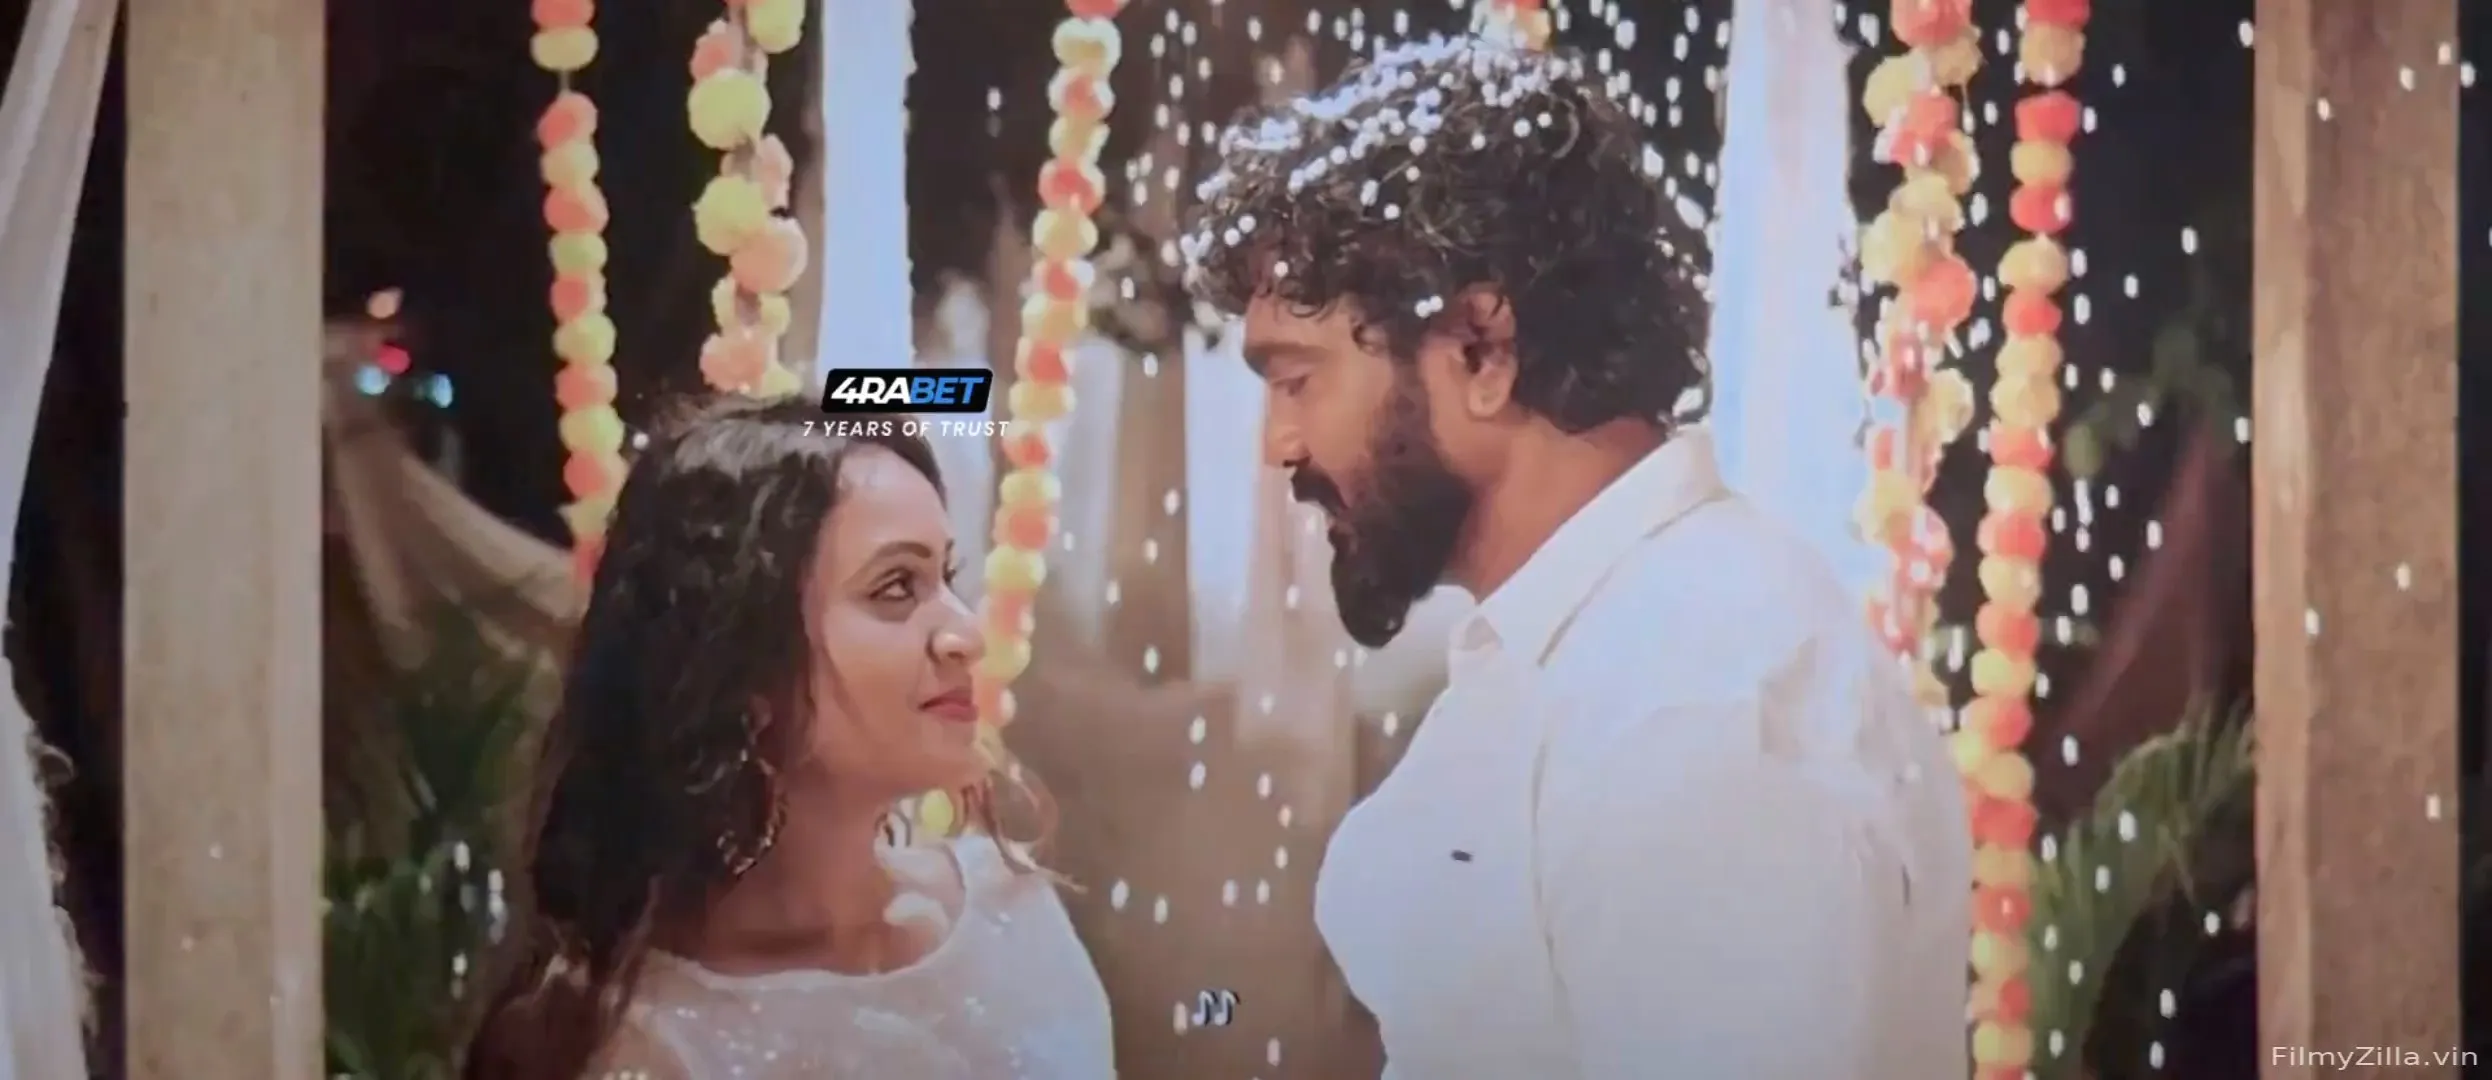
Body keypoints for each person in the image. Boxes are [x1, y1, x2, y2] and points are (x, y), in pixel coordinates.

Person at [1183, 37, 1973, 1079]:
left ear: (1481, 349)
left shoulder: (1691, 695)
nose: (1280, 445)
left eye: (1297, 381)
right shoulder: (1604, 639)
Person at [463, 400, 1114, 1080]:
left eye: (946, 578)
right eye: (897, 586)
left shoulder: (1009, 909)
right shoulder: (652, 1040)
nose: (967, 635)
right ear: (746, 668)